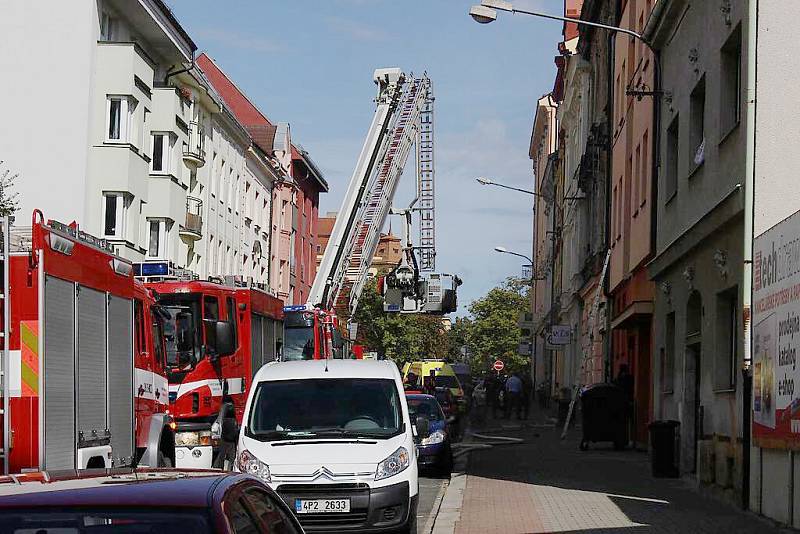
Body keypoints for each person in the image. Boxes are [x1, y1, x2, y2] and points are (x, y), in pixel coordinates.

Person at [614, 364, 635, 445]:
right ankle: (630, 439)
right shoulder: (630, 378)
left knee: (620, 423)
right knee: (629, 422)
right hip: (627, 402)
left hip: (618, 404)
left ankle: (620, 439)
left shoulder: (617, 379)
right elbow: (631, 390)